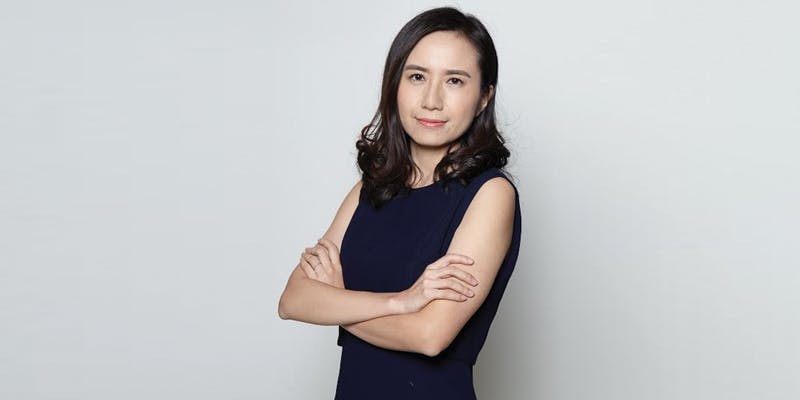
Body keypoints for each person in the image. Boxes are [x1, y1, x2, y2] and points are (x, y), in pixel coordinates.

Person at [278, 6, 521, 399]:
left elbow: (430, 336)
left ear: (483, 97)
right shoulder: (370, 189)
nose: (431, 100)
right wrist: (403, 302)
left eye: (454, 80)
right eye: (417, 76)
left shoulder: (490, 194)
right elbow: (293, 300)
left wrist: (338, 302)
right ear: (395, 84)